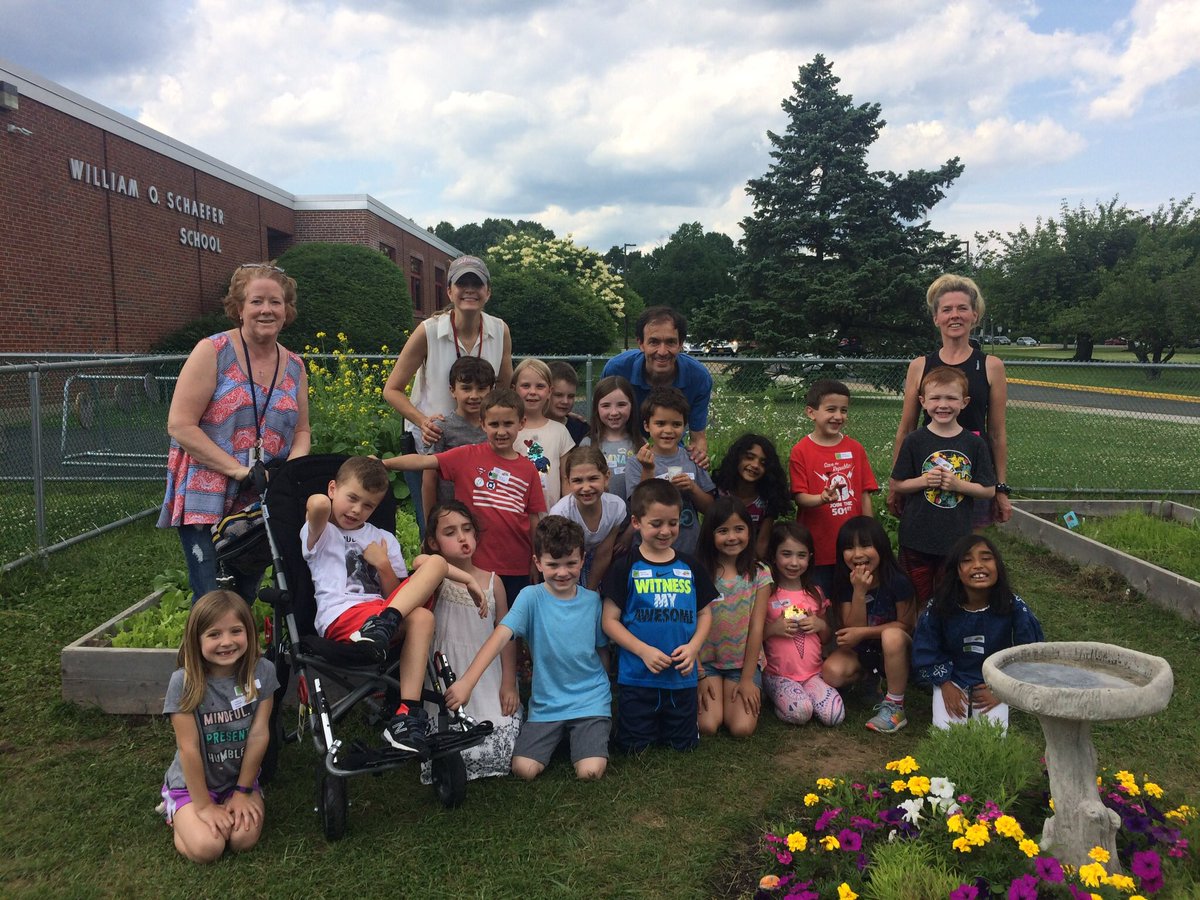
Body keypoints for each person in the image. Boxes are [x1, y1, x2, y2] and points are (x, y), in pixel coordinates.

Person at [302, 456, 481, 758]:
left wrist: (383, 565)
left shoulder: (383, 538)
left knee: (424, 607)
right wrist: (329, 498)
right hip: (343, 617)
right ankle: (383, 624)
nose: (357, 510)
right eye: (352, 499)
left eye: (368, 505)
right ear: (334, 488)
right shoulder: (320, 533)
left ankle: (405, 715)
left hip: (382, 617)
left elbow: (394, 591)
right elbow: (318, 504)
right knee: (425, 586)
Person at [159, 262, 310, 602]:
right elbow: (180, 424)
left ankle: (237, 655)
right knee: (212, 598)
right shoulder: (212, 351)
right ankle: (197, 657)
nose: (267, 310)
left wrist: (290, 474)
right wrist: (238, 470)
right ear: (239, 308)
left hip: (260, 498)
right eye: (257, 301)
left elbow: (302, 430)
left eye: (276, 302)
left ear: (287, 310)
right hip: (207, 493)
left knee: (245, 595)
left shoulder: (295, 365)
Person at [445, 516, 611, 781]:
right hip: (548, 704)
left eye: (571, 563)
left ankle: (586, 735)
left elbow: (602, 651)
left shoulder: (592, 601)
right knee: (524, 769)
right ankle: (565, 736)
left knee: (589, 772)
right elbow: (499, 637)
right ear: (537, 563)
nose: (562, 572)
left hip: (590, 700)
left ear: (582, 559)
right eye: (553, 564)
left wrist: (605, 694)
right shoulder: (530, 597)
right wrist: (467, 682)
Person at [382, 254, 514, 535]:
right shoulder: (428, 331)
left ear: (487, 292)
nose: (469, 290)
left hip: (480, 445)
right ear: (449, 291)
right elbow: (392, 390)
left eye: (476, 284)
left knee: (479, 525)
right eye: (461, 283)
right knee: (432, 526)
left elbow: (505, 387)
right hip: (432, 444)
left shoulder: (499, 330)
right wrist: (422, 421)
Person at [383, 388, 546, 602]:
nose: (501, 431)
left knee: (511, 625)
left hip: (516, 563)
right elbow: (424, 461)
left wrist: (535, 559)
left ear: (521, 423)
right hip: (475, 564)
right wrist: (383, 463)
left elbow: (534, 517)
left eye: (508, 424)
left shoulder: (528, 469)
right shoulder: (467, 455)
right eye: (494, 424)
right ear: (482, 424)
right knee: (476, 618)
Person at [160, 590, 277, 863]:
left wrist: (242, 791)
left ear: (249, 632)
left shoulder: (263, 672)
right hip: (192, 786)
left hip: (237, 781)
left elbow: (259, 734)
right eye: (214, 634)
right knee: (208, 848)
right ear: (196, 639)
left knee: (242, 840)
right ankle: (174, 808)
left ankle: (231, 800)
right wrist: (203, 806)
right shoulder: (183, 682)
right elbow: (187, 747)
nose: (227, 642)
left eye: (236, 631)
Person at [602, 480, 716, 753]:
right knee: (634, 748)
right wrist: (643, 651)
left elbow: (705, 614)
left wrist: (693, 647)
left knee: (683, 745)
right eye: (656, 524)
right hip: (637, 677)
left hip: (681, 677)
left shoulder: (690, 566)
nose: (666, 531)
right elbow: (609, 621)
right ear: (636, 522)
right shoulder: (625, 566)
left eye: (673, 523)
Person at [891, 273, 1012, 526]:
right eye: (946, 309)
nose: (954, 315)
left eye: (962, 308)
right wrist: (896, 484)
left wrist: (1000, 488)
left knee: (969, 552)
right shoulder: (919, 366)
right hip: (929, 471)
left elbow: (998, 433)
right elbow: (906, 429)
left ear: (974, 316)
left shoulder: (991, 366)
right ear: (937, 318)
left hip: (974, 476)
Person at [418, 501, 522, 780]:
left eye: (467, 529)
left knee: (500, 743)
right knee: (453, 744)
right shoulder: (434, 577)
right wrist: (465, 578)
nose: (462, 537)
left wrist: (509, 682)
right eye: (450, 533)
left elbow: (506, 635)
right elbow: (421, 562)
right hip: (449, 669)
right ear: (433, 542)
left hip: (487, 672)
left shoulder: (493, 582)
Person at [889, 366, 997, 610]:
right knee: (915, 599)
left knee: (950, 599)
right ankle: (917, 641)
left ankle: (945, 641)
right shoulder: (915, 440)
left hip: (956, 539)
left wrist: (960, 485)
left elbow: (988, 490)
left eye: (951, 398)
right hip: (916, 537)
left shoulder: (975, 443)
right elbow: (897, 484)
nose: (943, 404)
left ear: (965, 402)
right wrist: (924, 481)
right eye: (935, 398)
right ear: (923, 402)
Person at [912, 535, 1043, 730]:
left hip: (995, 680)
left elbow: (1029, 651)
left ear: (998, 566)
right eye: (967, 560)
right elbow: (926, 648)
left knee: (992, 738)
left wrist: (1003, 690)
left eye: (986, 558)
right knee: (947, 735)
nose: (978, 565)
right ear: (956, 572)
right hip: (952, 677)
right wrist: (945, 684)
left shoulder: (1013, 606)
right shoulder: (939, 607)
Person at [822, 516, 916, 734]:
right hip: (862, 650)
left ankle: (895, 706)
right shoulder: (846, 582)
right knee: (831, 673)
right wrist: (859, 592)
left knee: (891, 636)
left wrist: (865, 632)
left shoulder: (897, 581)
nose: (857, 554)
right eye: (849, 548)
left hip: (897, 650)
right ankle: (869, 679)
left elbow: (906, 626)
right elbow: (851, 629)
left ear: (881, 547)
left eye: (865, 545)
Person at [789, 379, 878, 600]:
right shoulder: (801, 451)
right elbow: (800, 497)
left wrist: (871, 534)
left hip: (853, 549)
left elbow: (865, 493)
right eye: (831, 409)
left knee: (854, 599)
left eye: (844, 410)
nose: (838, 416)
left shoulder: (855, 448)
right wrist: (822, 498)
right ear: (811, 412)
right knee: (820, 601)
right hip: (819, 548)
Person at [695, 496, 772, 738]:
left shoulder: (759, 573)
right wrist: (699, 674)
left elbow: (757, 628)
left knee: (741, 728)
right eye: (723, 531)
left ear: (750, 531)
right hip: (707, 663)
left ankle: (751, 688)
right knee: (708, 725)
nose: (732, 537)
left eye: (739, 529)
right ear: (710, 534)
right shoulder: (697, 571)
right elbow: (688, 624)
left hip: (742, 665)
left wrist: (748, 679)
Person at [602, 306, 713, 467]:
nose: (662, 351)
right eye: (654, 342)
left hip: (668, 449)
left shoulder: (698, 377)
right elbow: (601, 420)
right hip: (621, 450)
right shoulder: (617, 369)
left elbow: (698, 437)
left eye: (670, 342)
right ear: (641, 343)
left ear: (680, 344)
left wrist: (698, 458)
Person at [760, 522, 844, 727]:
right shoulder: (767, 592)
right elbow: (753, 636)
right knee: (801, 712)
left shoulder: (815, 593)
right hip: (777, 674)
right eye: (786, 554)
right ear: (773, 555)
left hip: (812, 674)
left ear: (810, 557)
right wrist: (773, 629)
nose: (794, 562)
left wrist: (820, 625)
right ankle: (780, 697)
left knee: (835, 716)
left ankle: (803, 696)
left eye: (801, 555)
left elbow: (825, 638)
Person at [628, 387, 715, 556]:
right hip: (648, 552)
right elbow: (637, 507)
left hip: (690, 549)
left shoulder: (693, 458)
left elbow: (710, 508)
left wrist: (692, 488)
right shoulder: (638, 462)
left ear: (685, 426)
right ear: (647, 425)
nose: (668, 430)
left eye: (676, 424)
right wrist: (648, 469)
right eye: (660, 423)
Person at [421, 355, 495, 522]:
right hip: (450, 516)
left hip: (488, 515)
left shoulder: (496, 428)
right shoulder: (441, 428)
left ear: (491, 389)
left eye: (481, 388)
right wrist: (429, 525)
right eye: (466, 388)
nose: (474, 395)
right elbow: (429, 479)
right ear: (452, 390)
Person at [549, 447, 626, 590]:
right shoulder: (561, 513)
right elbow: (560, 559)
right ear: (568, 482)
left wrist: (590, 592)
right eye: (578, 481)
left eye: (593, 478)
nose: (586, 488)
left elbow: (603, 554)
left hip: (600, 566)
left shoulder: (617, 507)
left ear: (606, 477)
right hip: (568, 566)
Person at [714, 433, 790, 558]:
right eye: (749, 457)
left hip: (749, 562)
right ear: (737, 458)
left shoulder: (767, 500)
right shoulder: (719, 491)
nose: (755, 465)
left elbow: (762, 543)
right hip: (716, 559)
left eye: (763, 463)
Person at [512, 358, 574, 508]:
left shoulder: (560, 431)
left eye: (540, 386)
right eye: (526, 386)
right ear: (514, 389)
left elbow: (566, 479)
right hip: (515, 517)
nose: (532, 392)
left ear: (549, 391)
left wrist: (566, 514)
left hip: (551, 518)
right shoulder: (508, 430)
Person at [580, 375, 642, 499]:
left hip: (634, 515)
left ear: (632, 406)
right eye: (606, 405)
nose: (614, 412)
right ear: (596, 408)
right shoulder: (588, 444)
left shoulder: (641, 445)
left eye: (621, 404)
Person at [548, 360, 590, 445]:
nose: (565, 401)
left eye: (571, 396)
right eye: (558, 395)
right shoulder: (527, 424)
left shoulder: (581, 430)